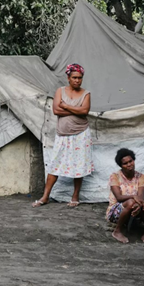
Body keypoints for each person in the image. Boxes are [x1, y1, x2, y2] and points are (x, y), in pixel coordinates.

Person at [32, 63, 93, 208]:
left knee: (79, 165)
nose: (77, 80)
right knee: (55, 164)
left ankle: (75, 196)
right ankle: (45, 196)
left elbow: (84, 111)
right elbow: (56, 110)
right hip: (63, 134)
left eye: (80, 78)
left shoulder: (86, 94)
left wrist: (66, 106)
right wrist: (75, 109)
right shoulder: (60, 91)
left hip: (81, 133)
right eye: (74, 77)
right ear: (68, 78)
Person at [107, 148, 144, 244]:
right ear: (121, 166)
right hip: (116, 211)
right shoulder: (115, 176)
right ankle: (117, 231)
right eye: (125, 163)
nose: (129, 165)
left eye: (130, 161)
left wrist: (138, 205)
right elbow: (118, 197)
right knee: (131, 202)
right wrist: (133, 197)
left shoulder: (141, 177)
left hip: (135, 208)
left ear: (134, 160)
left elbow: (141, 196)